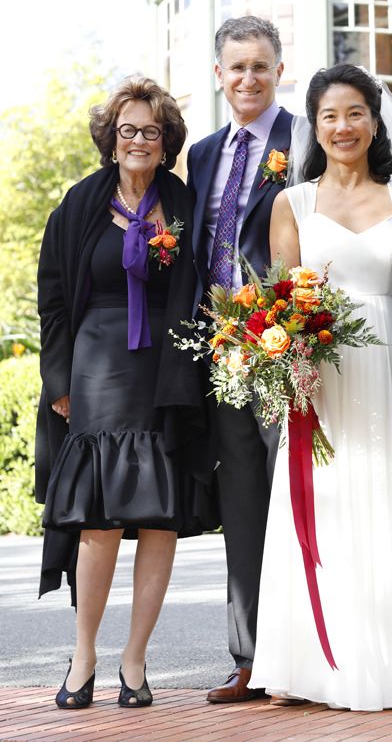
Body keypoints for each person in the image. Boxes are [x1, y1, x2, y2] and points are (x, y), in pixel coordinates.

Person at [249, 63, 392, 711]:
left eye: (355, 113)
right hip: (321, 379)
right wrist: (281, 362)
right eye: (329, 116)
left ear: (375, 120)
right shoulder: (293, 202)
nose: (343, 127)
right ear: (315, 125)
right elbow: (276, 296)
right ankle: (313, 664)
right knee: (327, 504)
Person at [36, 76, 215, 709]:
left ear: (167, 143)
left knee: (159, 516)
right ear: (111, 140)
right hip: (97, 370)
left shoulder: (185, 204)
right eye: (128, 130)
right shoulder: (79, 205)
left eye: (152, 131)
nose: (140, 140)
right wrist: (58, 381)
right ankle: (83, 656)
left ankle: (135, 662)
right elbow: (53, 303)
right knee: (100, 518)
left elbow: (201, 291)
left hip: (166, 372)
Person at [187, 16, 296, 703]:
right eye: (237, 67)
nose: (248, 78)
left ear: (279, 70)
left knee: (301, 500)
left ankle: (308, 651)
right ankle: (250, 657)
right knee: (246, 503)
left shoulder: (306, 137)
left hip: (287, 345)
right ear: (219, 75)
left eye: (260, 65)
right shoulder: (201, 154)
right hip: (219, 352)